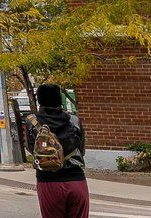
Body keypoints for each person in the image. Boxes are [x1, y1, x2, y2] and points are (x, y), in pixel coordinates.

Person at [32, 83, 88, 218]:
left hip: (47, 182)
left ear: (40, 99)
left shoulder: (32, 122)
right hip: (76, 179)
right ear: (59, 99)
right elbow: (81, 150)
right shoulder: (74, 121)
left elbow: (32, 149)